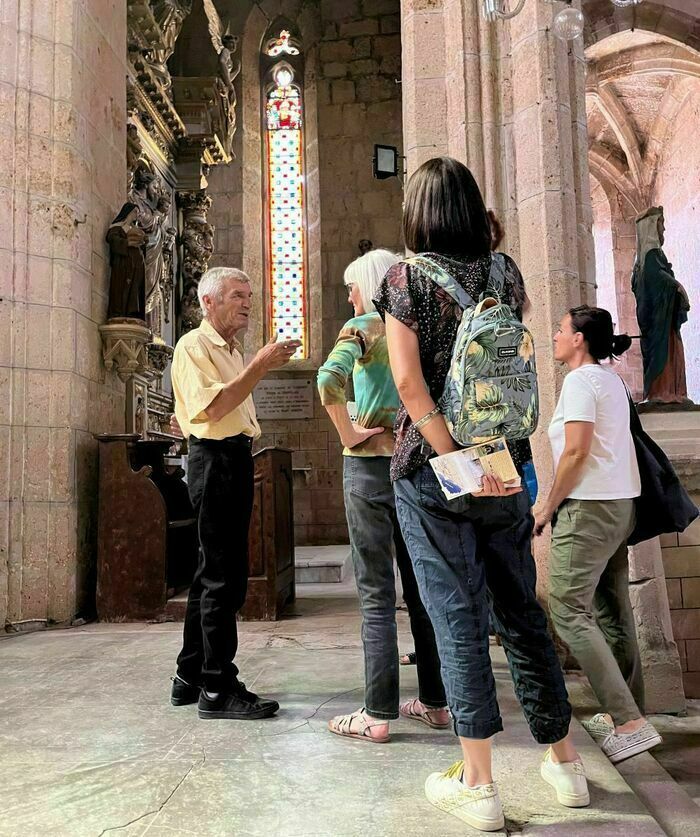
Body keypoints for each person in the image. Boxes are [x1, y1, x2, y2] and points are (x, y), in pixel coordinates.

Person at [374, 156, 588, 832]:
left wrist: (454, 458)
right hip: (509, 464)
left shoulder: (404, 279)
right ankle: (566, 765)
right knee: (521, 612)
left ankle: (479, 782)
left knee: (457, 617)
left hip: (437, 472)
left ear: (419, 213)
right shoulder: (506, 272)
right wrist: (490, 464)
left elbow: (410, 386)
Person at [318, 249, 449, 743]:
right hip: (417, 466)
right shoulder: (414, 323)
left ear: (367, 284)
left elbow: (327, 380)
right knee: (421, 591)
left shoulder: (364, 326)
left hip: (370, 471)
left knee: (376, 595)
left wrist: (349, 433)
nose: (348, 295)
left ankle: (377, 713)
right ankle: (436, 702)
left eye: (351, 286)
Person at [169, 267, 300, 720]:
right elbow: (216, 406)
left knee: (213, 573)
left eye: (248, 295)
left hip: (233, 457)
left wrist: (253, 363)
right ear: (209, 302)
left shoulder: (229, 349)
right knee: (224, 577)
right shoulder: (194, 345)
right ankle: (217, 688)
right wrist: (261, 364)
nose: (246, 302)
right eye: (236, 295)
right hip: (215, 459)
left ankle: (190, 676)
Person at [534, 305, 663, 763]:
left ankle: (628, 721)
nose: (554, 335)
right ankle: (628, 714)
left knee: (567, 608)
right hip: (620, 505)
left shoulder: (581, 381)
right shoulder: (611, 379)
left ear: (580, 340)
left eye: (560, 329)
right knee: (611, 607)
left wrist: (547, 506)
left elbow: (576, 452)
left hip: (588, 509)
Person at [632, 206, 690, 403]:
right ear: (650, 227)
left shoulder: (648, 258)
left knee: (671, 352)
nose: (663, 229)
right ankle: (663, 392)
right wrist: (676, 286)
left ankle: (672, 392)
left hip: (664, 318)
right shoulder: (650, 257)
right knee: (664, 354)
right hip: (659, 322)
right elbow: (656, 280)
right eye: (660, 224)